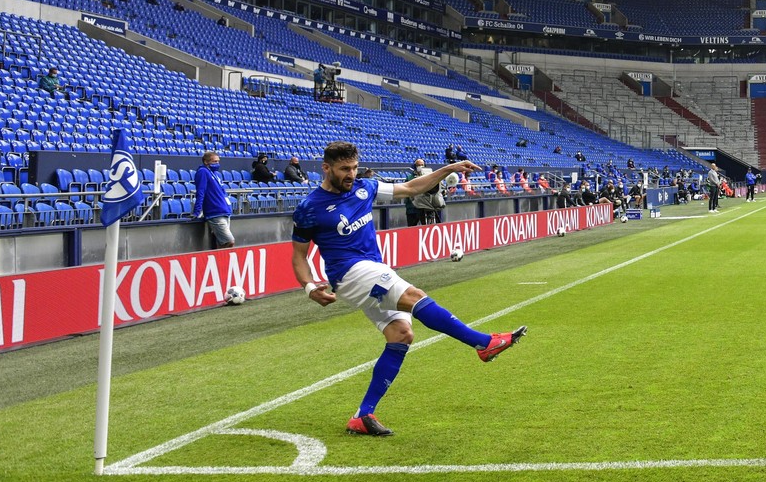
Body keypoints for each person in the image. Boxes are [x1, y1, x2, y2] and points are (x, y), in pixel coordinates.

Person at [292, 141, 526, 437]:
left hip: (372, 269)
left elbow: (412, 188)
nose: (350, 174)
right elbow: (299, 256)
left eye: (353, 167)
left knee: (401, 335)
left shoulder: (365, 187)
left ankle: (362, 416)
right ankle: (483, 343)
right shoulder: (309, 208)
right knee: (415, 296)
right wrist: (309, 286)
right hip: (350, 274)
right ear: (326, 168)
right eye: (343, 169)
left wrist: (448, 169)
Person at [195, 151, 234, 248]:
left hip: (224, 211)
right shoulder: (203, 172)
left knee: (221, 242)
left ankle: (220, 261)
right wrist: (197, 211)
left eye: (218, 161)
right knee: (228, 241)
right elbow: (201, 191)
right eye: (214, 161)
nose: (217, 164)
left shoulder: (215, 174)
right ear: (206, 161)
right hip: (215, 212)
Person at [408, 158, 443, 225]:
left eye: (422, 165)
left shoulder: (430, 177)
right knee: (412, 226)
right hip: (413, 208)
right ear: (415, 166)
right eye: (418, 165)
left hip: (428, 205)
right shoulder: (410, 177)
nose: (420, 167)